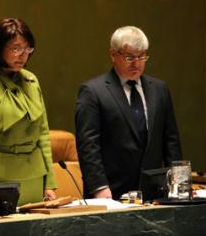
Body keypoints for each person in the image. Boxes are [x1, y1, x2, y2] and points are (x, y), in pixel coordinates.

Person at [75, 26, 182, 200]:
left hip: (154, 192)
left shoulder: (160, 89)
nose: (137, 63)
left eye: (142, 56)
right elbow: (88, 146)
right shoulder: (93, 91)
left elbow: (171, 141)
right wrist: (99, 187)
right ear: (113, 55)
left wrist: (178, 183)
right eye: (129, 57)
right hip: (111, 193)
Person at [0, 18, 57, 206]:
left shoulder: (31, 80)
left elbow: (43, 135)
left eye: (27, 49)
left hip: (36, 178)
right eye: (16, 48)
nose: (23, 55)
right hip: (0, 181)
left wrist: (51, 183)